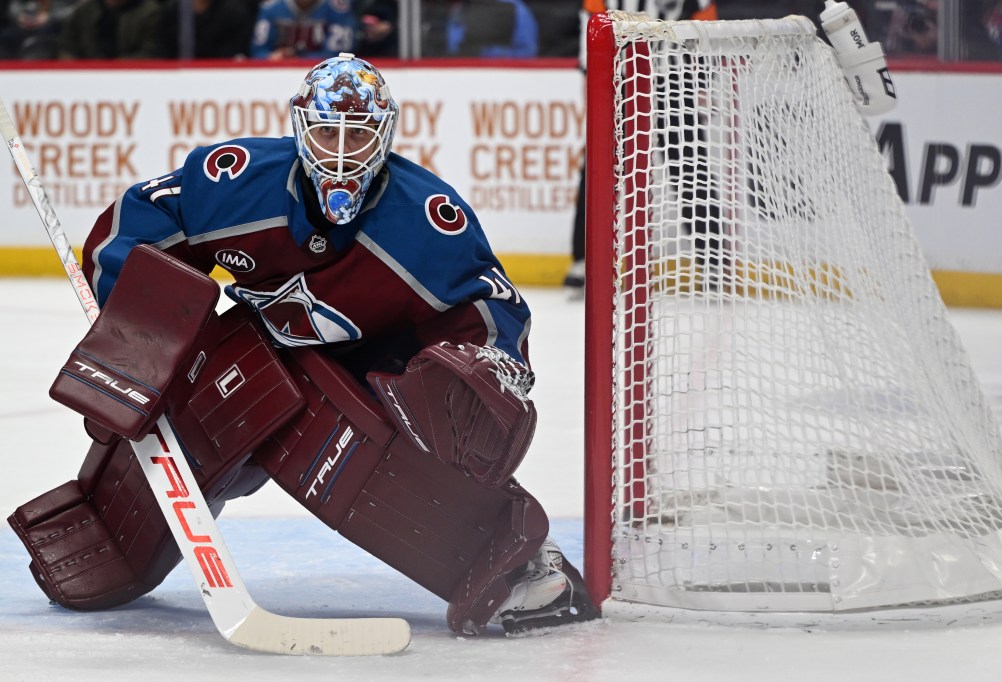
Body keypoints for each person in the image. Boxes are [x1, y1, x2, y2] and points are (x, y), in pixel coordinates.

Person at [6, 53, 597, 637]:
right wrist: (136, 342)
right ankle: (108, 528)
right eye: (327, 132)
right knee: (222, 399)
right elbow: (129, 233)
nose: (342, 155)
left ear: (387, 134)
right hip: (259, 347)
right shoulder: (233, 182)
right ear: (299, 127)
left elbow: (490, 309)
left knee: (363, 440)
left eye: (359, 137)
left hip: (376, 372)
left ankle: (520, 568)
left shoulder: (426, 224)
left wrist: (487, 369)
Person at [565, 0, 719, 295]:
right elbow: (591, 22)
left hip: (675, 81)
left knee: (689, 167)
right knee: (600, 167)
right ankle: (583, 259)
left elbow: (705, 21)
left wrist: (703, 79)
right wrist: (594, 78)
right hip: (618, 78)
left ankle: (713, 259)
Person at [250, 0, 357, 60]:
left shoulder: (338, 8)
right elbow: (258, 49)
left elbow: (340, 54)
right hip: (279, 71)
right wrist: (271, 57)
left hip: (323, 74)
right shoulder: (271, 8)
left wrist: (300, 59)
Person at [56, 0, 163, 59]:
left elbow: (150, 52)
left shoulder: (150, 13)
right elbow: (67, 47)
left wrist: (112, 69)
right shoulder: (84, 12)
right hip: (86, 79)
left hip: (130, 79)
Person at [158, 0, 254, 59]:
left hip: (219, 79)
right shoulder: (172, 13)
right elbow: (161, 52)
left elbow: (229, 56)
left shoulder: (234, 14)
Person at [445, 0, 538, 57]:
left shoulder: (517, 9)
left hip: (504, 74)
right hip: (467, 73)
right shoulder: (461, 8)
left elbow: (527, 51)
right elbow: (453, 47)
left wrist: (488, 53)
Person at [0, 0, 77, 59]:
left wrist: (50, 17)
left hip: (54, 25)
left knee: (43, 40)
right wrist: (19, 16)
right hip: (23, 25)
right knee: (6, 38)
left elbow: (77, 8)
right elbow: (14, 5)